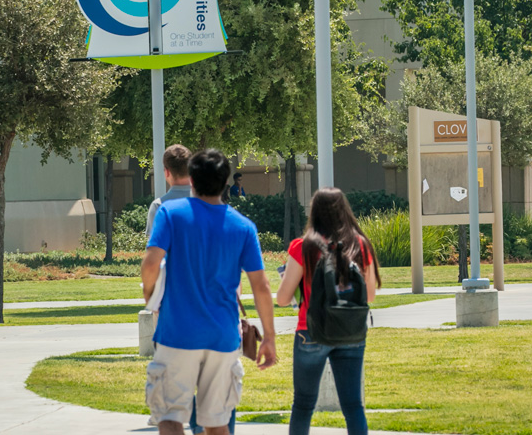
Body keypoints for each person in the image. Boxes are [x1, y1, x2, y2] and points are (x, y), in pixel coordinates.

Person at [142, 148, 277, 435]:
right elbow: (262, 286)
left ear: (191, 179)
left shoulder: (170, 213)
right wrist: (270, 337)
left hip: (176, 332)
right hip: (222, 336)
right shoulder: (243, 227)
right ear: (226, 181)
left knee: (169, 418)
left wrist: (152, 298)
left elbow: (151, 263)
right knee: (217, 423)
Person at [273, 188, 381, 435]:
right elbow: (371, 294)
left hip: (311, 331)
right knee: (354, 406)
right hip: (350, 331)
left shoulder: (303, 246)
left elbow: (282, 299)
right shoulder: (360, 244)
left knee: (303, 404)